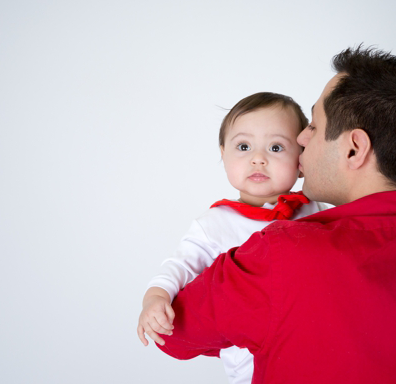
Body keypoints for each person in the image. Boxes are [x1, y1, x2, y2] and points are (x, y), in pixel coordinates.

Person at [158, 47, 396, 378]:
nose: (301, 139)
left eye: (314, 126)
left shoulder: (280, 255)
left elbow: (172, 334)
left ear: (354, 149)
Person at [135, 92, 326, 383]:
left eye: (276, 147)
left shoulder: (318, 211)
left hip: (316, 354)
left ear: (300, 160)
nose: (258, 159)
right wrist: (156, 297)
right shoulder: (214, 224)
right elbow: (181, 265)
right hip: (250, 367)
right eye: (244, 146)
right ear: (223, 154)